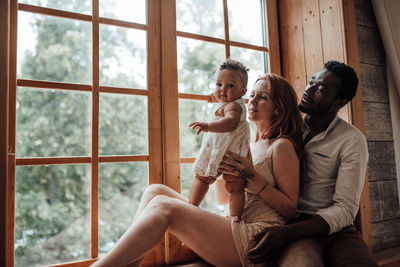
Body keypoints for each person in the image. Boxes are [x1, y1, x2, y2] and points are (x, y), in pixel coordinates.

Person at [90, 73, 303, 267]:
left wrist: (251, 176)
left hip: (255, 238)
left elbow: (289, 208)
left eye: (263, 97)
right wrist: (217, 167)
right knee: (155, 191)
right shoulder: (248, 142)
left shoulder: (281, 146)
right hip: (231, 223)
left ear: (279, 108)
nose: (252, 102)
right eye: (253, 95)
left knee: (165, 206)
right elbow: (224, 197)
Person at [246, 61, 379, 267]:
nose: (308, 90)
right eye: (311, 82)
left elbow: (345, 208)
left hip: (336, 231)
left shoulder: (352, 139)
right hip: (292, 225)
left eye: (321, 89)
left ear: (338, 103)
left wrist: (286, 233)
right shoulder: (288, 126)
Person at [188, 59, 250, 221]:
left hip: (223, 152)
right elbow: (221, 99)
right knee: (235, 187)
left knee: (202, 178)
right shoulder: (230, 102)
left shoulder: (233, 107)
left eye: (230, 86)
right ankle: (235, 217)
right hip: (232, 153)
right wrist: (214, 97)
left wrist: (208, 126)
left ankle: (192, 205)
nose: (223, 89)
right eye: (219, 85)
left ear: (242, 91)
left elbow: (230, 122)